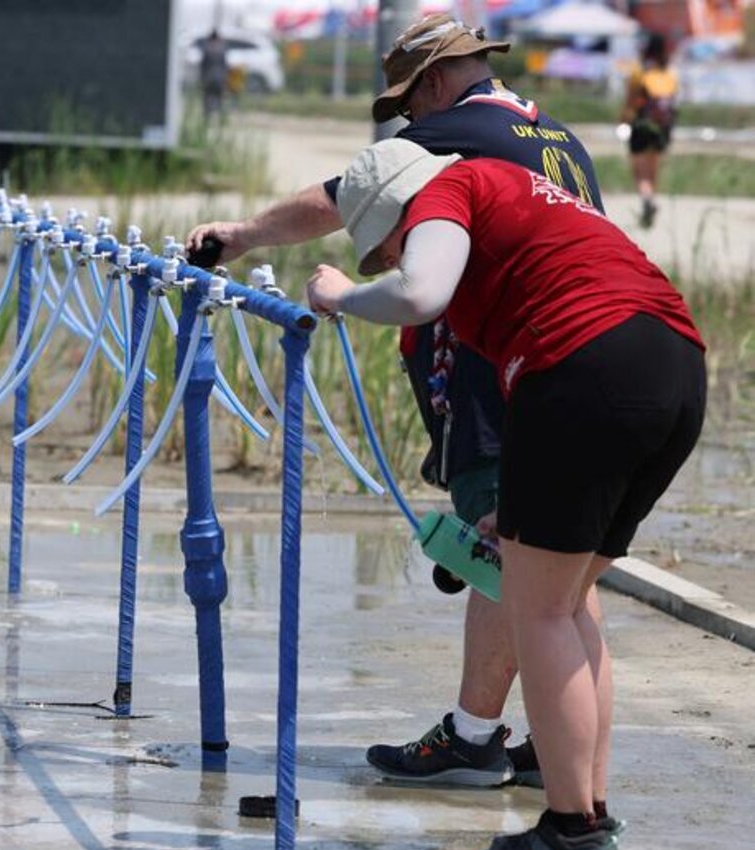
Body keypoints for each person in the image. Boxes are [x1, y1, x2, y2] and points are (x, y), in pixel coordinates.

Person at [187, 14, 605, 789]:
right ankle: (557, 740)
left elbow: (342, 199)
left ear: (438, 83)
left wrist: (242, 235)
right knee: (565, 580)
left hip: (500, 374)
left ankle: (475, 735)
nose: (411, 122)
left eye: (410, 103)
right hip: (577, 367)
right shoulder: (560, 140)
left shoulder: (457, 133)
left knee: (516, 563)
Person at [307, 137, 705, 850]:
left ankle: (569, 828)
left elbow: (420, 292)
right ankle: (591, 810)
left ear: (399, 213)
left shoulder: (446, 193)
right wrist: (519, 503)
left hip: (587, 363)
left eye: (388, 249)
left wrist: (341, 297)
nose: (394, 261)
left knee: (542, 612)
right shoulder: (513, 195)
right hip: (673, 366)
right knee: (572, 600)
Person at [621, 33, 678, 228]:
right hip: (663, 128)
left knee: (639, 171)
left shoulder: (639, 71)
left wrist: (624, 120)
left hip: (641, 126)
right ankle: (651, 198)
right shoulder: (669, 72)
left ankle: (646, 199)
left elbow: (630, 100)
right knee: (652, 170)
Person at [199, 29, 229, 123]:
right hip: (220, 78)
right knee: (220, 99)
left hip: (208, 78)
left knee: (206, 100)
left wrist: (202, 79)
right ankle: (222, 120)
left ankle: (206, 119)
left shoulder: (206, 49)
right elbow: (225, 65)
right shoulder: (222, 49)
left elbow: (203, 66)